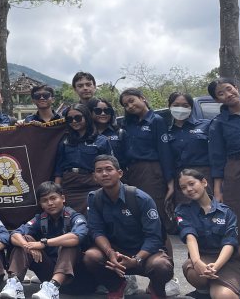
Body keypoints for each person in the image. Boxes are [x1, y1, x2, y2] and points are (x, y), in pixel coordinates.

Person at [83, 155, 174, 299]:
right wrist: (109, 252)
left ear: (120, 173)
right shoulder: (94, 199)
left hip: (145, 253)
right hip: (117, 252)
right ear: (94, 176)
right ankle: (116, 286)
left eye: (109, 169)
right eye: (99, 171)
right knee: (91, 256)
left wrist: (136, 259)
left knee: (161, 265)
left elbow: (154, 238)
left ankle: (156, 288)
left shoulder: (141, 198)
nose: (104, 174)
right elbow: (97, 231)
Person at [0, 182, 90, 299]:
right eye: (45, 200)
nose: (50, 203)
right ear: (41, 204)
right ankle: (14, 283)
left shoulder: (75, 217)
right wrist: (28, 246)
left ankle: (54, 286)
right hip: (48, 276)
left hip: (77, 279)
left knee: (68, 243)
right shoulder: (40, 219)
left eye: (53, 198)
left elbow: (76, 237)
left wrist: (43, 243)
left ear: (62, 198)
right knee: (24, 239)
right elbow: (14, 235)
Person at [175, 168, 240, 299]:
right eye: (183, 187)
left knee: (225, 296)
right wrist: (197, 262)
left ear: (204, 182)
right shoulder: (182, 211)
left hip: (227, 261)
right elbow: (190, 237)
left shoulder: (226, 212)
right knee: (191, 270)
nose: (188, 189)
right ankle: (204, 291)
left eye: (191, 184)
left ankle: (227, 287)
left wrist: (216, 267)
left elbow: (229, 243)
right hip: (203, 257)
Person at [119, 89, 174, 233]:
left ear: (142, 98)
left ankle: (163, 251)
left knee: (154, 211)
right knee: (137, 211)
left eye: (132, 101)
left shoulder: (156, 120)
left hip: (151, 171)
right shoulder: (128, 124)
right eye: (125, 104)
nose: (130, 106)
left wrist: (170, 182)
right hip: (133, 171)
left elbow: (164, 151)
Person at [52, 104, 112, 216]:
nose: (74, 121)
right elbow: (59, 169)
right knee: (70, 219)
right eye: (70, 119)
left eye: (78, 118)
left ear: (87, 117)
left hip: (93, 185)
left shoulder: (102, 141)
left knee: (92, 218)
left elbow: (109, 167)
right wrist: (57, 192)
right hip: (70, 185)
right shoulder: (65, 141)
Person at [165, 92, 212, 208]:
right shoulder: (167, 132)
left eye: (185, 105)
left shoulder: (206, 126)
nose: (180, 109)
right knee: (185, 214)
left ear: (191, 108)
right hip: (181, 179)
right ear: (169, 107)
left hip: (204, 175)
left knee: (210, 212)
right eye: (176, 105)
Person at [207, 78, 240, 220]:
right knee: (238, 210)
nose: (228, 94)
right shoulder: (218, 123)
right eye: (221, 94)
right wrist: (217, 191)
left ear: (236, 87)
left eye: (229, 89)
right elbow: (217, 158)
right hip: (235, 168)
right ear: (217, 100)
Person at [87, 98, 125, 167]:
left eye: (107, 110)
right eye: (98, 111)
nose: (103, 114)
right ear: (90, 112)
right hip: (90, 175)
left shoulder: (120, 133)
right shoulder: (85, 134)